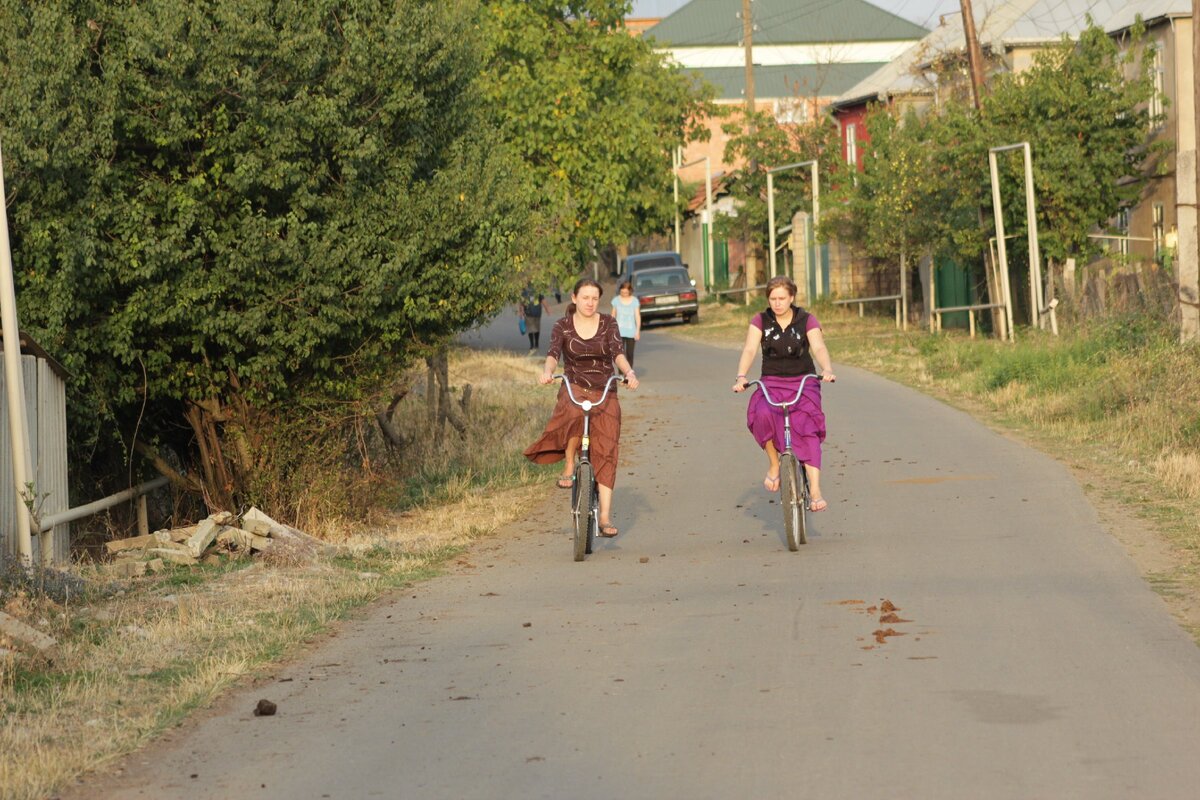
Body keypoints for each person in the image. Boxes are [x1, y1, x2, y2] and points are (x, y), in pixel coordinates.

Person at [524, 278, 639, 537]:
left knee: (607, 447)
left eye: (595, 298)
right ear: (574, 298)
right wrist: (547, 372)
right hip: (574, 384)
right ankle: (568, 463)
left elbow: (618, 353)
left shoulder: (608, 323)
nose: (590, 303)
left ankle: (605, 517)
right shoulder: (562, 326)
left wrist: (629, 372)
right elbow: (553, 354)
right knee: (574, 411)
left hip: (604, 388)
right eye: (585, 297)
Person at [732, 276, 836, 511]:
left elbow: (819, 347)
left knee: (808, 428)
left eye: (782, 298)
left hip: (803, 382)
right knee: (761, 414)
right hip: (771, 381)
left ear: (792, 297)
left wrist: (827, 369)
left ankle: (815, 491)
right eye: (773, 299)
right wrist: (741, 376)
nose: (777, 303)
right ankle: (774, 464)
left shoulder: (806, 320)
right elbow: (749, 349)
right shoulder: (760, 320)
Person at [610, 279, 642, 367]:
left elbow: (637, 316)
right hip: (618, 332)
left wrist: (637, 331)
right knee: (620, 354)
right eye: (622, 292)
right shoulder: (616, 300)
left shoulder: (634, 301)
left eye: (626, 292)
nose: (624, 294)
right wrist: (611, 329)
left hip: (631, 332)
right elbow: (613, 315)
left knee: (630, 354)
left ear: (630, 291)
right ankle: (621, 373)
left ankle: (629, 373)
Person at [518, 289, 551, 354]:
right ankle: (535, 344)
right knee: (535, 329)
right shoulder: (537, 290)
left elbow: (521, 303)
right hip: (535, 313)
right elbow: (543, 301)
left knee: (531, 329)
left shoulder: (525, 292)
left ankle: (532, 344)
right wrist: (547, 310)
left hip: (530, 313)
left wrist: (521, 312)